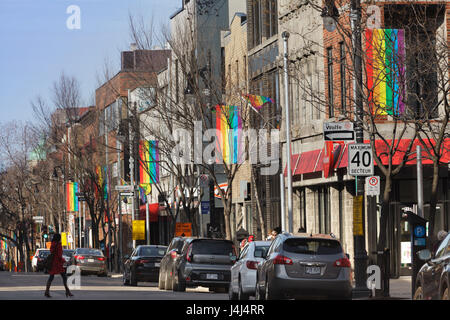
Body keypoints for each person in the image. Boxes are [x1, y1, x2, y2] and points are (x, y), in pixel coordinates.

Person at [44, 233, 73, 298]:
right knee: (64, 277)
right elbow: (59, 255)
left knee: (51, 277)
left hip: (53, 263)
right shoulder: (59, 245)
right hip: (58, 263)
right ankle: (67, 291)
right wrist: (64, 261)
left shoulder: (52, 244)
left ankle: (47, 291)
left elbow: (52, 252)